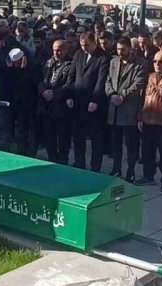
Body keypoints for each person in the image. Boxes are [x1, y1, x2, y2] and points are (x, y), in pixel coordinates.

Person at [105, 37, 147, 182]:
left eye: (123, 49)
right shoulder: (113, 62)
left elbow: (138, 84)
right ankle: (116, 168)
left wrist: (122, 95)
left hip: (129, 108)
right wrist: (112, 94)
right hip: (114, 108)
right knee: (115, 143)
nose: (120, 52)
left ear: (129, 48)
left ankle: (130, 171)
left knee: (131, 144)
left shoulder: (140, 64)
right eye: (118, 49)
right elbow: (108, 80)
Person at [138, 51, 162, 192]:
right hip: (147, 120)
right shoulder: (150, 77)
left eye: (160, 61)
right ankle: (148, 176)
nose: (157, 64)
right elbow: (142, 98)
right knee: (147, 152)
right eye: (155, 61)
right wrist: (140, 117)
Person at [70, 32, 110, 172]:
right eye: (82, 45)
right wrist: (70, 95)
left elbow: (101, 80)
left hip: (93, 104)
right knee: (78, 135)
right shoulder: (78, 54)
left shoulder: (102, 57)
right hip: (78, 101)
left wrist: (95, 100)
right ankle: (79, 162)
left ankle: (95, 166)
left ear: (94, 43)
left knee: (96, 137)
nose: (84, 48)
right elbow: (72, 75)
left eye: (86, 45)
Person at [39, 40, 75, 164]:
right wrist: (43, 91)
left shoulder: (71, 64)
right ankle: (52, 159)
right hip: (46, 105)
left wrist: (55, 94)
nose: (56, 53)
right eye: (54, 50)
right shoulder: (48, 63)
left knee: (63, 137)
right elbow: (40, 79)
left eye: (59, 50)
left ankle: (63, 161)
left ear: (66, 50)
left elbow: (70, 84)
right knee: (49, 136)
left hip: (61, 106)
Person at [8, 48, 41, 157]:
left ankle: (31, 152)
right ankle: (21, 150)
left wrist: (24, 70)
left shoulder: (34, 65)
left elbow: (32, 83)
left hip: (32, 102)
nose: (15, 65)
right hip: (19, 102)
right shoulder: (15, 68)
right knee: (21, 128)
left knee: (32, 129)